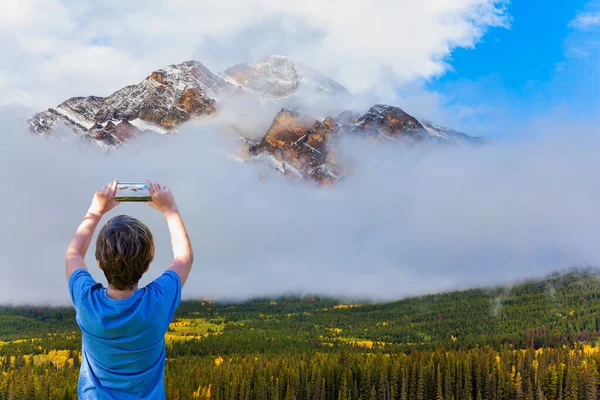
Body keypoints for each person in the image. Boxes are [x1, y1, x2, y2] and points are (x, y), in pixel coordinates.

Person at [65, 180, 193, 399]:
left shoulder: (87, 302)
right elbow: (184, 258)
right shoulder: (157, 303)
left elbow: (74, 254)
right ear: (148, 263)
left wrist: (96, 210)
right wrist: (170, 209)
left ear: (99, 263)